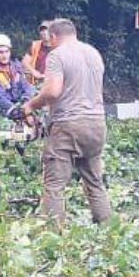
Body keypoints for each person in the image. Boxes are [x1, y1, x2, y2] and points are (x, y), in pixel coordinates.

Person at [23, 19, 110, 225]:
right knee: (95, 182)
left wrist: (30, 106)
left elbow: (52, 92)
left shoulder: (57, 55)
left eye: (49, 39)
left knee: (54, 185)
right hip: (97, 124)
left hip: (68, 126)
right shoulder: (93, 53)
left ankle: (54, 241)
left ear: (53, 36)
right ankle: (109, 233)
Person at [0, 34, 35, 127]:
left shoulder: (16, 67)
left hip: (19, 105)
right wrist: (21, 113)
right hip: (0, 111)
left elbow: (27, 86)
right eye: (1, 52)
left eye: (7, 51)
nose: (4, 55)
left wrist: (26, 101)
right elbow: (1, 100)